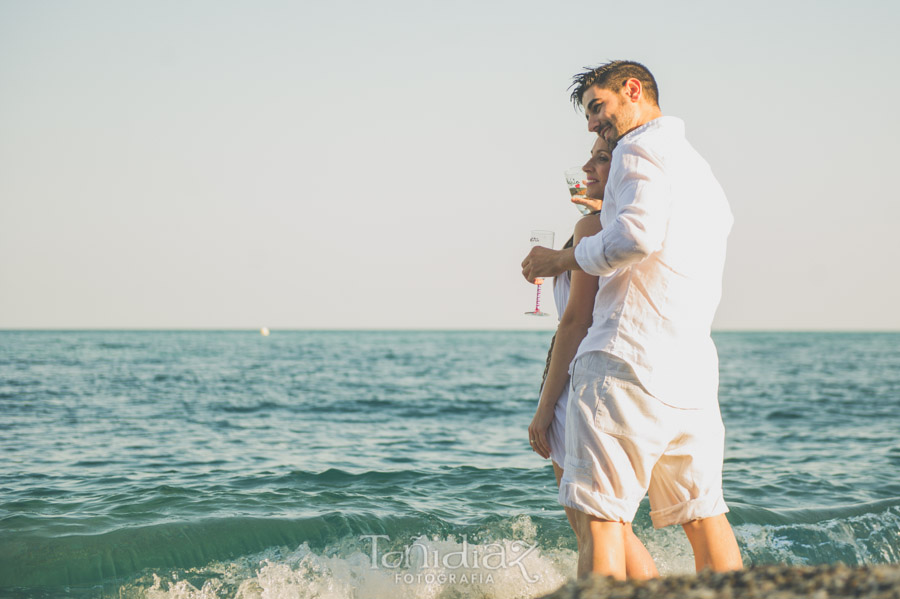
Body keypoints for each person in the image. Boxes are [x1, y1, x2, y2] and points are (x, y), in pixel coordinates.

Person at [521, 60, 743, 579]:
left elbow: (638, 237)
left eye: (598, 108)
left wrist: (562, 259)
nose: (595, 125)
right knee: (706, 517)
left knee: (601, 520)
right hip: (691, 377)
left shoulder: (636, 148)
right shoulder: (699, 170)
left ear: (633, 90)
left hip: (627, 363)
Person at [528, 135, 658, 580]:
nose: (587, 166)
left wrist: (545, 410)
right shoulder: (624, 226)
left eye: (602, 160)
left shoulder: (591, 229)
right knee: (614, 525)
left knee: (593, 529)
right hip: (629, 380)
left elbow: (574, 322)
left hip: (581, 385)